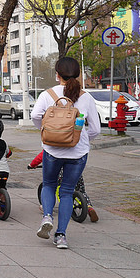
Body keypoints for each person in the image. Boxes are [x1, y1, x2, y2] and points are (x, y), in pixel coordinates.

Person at [31, 56, 101, 249]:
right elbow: (95, 129)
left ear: (57, 75)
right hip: (78, 153)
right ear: (77, 74)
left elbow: (35, 116)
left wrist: (46, 131)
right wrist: (81, 139)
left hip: (52, 150)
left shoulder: (47, 95)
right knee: (67, 192)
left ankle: (47, 216)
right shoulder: (86, 97)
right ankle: (61, 236)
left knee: (49, 185)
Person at [28, 151, 99, 222]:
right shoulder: (74, 147)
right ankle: (89, 207)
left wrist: (32, 165)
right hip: (75, 171)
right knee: (81, 190)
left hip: (59, 173)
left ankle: (47, 208)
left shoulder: (52, 148)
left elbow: (41, 157)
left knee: (51, 188)